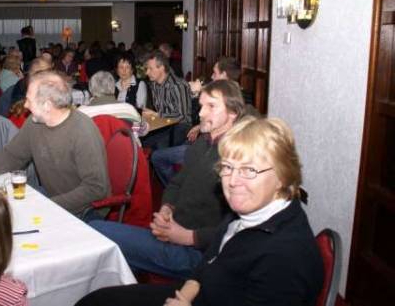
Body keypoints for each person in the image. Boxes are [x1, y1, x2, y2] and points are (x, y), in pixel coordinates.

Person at [76, 116, 323, 306]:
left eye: (249, 170)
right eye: (227, 167)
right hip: (199, 293)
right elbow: (209, 262)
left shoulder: (286, 255)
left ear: (282, 176)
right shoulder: (247, 212)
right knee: (97, 301)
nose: (233, 181)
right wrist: (184, 296)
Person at [89, 80, 244, 280]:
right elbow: (176, 183)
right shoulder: (201, 144)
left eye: (211, 106)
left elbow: (241, 228)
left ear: (233, 113)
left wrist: (188, 237)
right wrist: (166, 209)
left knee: (96, 228)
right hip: (174, 234)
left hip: (202, 256)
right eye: (201, 105)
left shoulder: (238, 157)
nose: (201, 113)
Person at [0, 70, 110, 217]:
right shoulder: (35, 123)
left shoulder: (83, 131)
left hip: (84, 211)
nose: (26, 105)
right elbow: (14, 154)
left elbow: (96, 188)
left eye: (29, 100)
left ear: (47, 105)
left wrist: (48, 205)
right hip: (52, 199)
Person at [152, 56, 248, 185]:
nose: (212, 77)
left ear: (224, 75)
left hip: (212, 150)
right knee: (167, 141)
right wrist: (198, 127)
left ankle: (179, 189)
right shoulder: (229, 93)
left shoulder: (234, 101)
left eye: (215, 73)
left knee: (157, 156)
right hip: (203, 140)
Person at [142, 50, 191, 149]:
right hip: (163, 124)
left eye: (150, 69)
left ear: (162, 68)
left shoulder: (177, 85)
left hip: (180, 127)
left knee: (158, 145)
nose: (147, 72)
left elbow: (182, 116)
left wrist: (157, 115)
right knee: (136, 136)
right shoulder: (154, 84)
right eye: (147, 69)